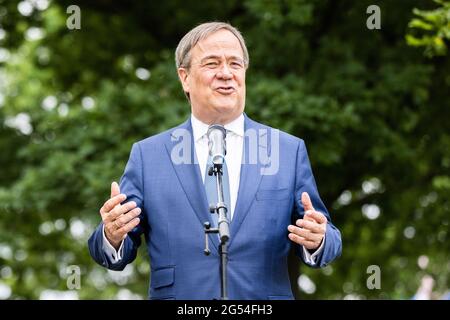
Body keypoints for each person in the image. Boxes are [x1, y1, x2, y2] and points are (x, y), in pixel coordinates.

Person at [88, 22, 342, 300]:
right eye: (212, 63)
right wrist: (112, 235)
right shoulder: (148, 155)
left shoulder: (287, 150)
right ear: (184, 77)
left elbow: (327, 241)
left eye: (235, 63)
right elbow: (113, 254)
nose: (226, 73)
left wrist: (318, 239)